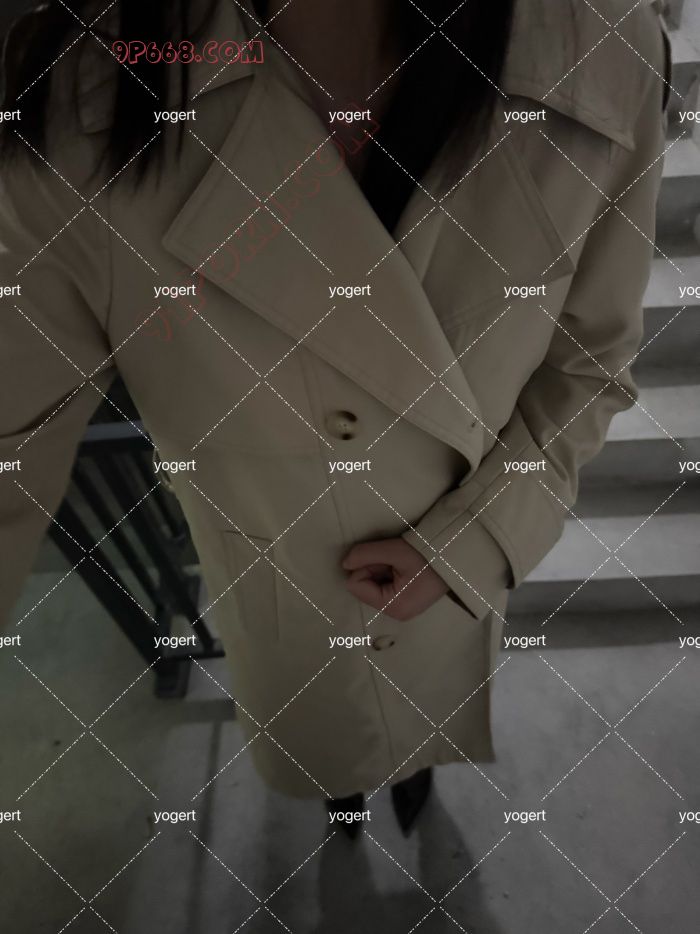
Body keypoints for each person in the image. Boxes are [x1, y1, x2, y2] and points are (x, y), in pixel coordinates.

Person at [0, 0, 670, 837]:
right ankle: (346, 799)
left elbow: (589, 361)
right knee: (331, 740)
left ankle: (412, 783)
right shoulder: (82, 95)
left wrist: (477, 538)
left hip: (456, 571)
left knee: (422, 726)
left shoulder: (602, 49)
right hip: (285, 593)